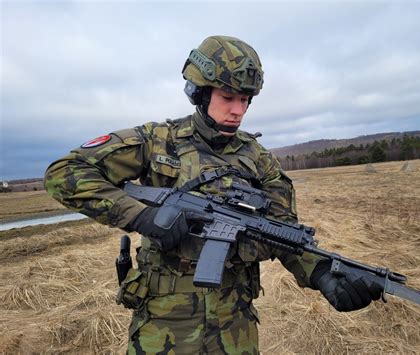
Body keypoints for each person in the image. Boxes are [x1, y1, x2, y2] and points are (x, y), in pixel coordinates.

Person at [44, 35, 382, 354]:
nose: (238, 110)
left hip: (235, 326)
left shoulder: (258, 158)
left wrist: (321, 272)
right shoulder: (157, 140)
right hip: (162, 324)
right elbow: (66, 172)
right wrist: (141, 216)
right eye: (228, 97)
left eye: (245, 100)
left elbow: (282, 231)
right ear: (200, 93)